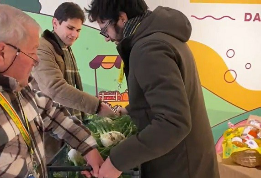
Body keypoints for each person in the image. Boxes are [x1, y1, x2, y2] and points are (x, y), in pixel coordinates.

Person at [0, 4, 103, 178]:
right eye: (32, 52)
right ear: (2, 52)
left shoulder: (15, 84)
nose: (36, 61)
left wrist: (88, 148)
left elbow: (51, 113)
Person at [85, 0, 220, 178]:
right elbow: (166, 98)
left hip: (179, 166)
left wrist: (117, 161)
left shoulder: (149, 49)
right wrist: (129, 110)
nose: (106, 37)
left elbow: (173, 122)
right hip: (187, 160)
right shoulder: (162, 37)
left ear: (122, 18)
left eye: (104, 29)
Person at [31, 2, 115, 164]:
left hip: (66, 131)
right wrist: (97, 106)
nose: (74, 35)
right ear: (55, 23)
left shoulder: (63, 48)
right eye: (70, 28)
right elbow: (54, 89)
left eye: (78, 30)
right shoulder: (43, 48)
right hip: (49, 134)